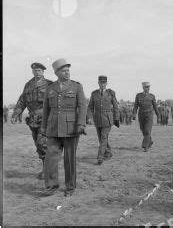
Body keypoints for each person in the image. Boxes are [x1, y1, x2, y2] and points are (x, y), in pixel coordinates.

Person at [41, 59, 87, 196]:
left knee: (70, 159)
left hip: (71, 128)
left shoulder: (76, 86)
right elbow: (45, 109)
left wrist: (81, 124)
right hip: (53, 128)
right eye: (64, 70)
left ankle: (70, 187)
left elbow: (83, 106)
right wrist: (43, 127)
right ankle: (51, 186)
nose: (67, 73)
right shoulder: (50, 88)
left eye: (68, 70)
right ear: (56, 73)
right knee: (51, 159)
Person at [11, 62, 53, 179]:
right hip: (33, 120)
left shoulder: (50, 84)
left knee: (42, 143)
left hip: (46, 119)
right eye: (35, 70)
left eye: (39, 70)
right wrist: (15, 114)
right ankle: (45, 168)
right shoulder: (28, 85)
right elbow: (22, 101)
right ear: (32, 71)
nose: (37, 72)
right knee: (38, 144)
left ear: (43, 71)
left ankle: (48, 171)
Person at [87, 75, 119, 165]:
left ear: (107, 83)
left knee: (104, 137)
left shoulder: (111, 93)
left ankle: (100, 157)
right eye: (101, 83)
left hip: (107, 120)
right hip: (97, 120)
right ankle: (108, 152)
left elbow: (116, 107)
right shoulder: (94, 93)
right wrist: (89, 118)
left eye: (104, 83)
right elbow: (90, 107)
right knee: (101, 139)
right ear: (98, 83)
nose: (102, 84)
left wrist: (116, 118)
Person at [133, 82, 160, 152]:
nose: (147, 88)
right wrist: (134, 114)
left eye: (148, 87)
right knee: (143, 130)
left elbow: (155, 107)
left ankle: (145, 146)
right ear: (143, 88)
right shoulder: (138, 95)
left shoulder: (152, 96)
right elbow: (135, 106)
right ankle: (150, 141)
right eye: (146, 87)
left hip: (149, 115)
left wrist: (158, 116)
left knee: (147, 130)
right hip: (141, 115)